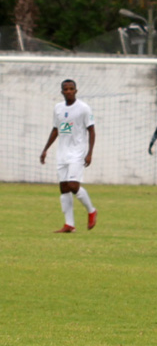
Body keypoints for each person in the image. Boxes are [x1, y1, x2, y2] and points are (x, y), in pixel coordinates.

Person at [39, 79, 98, 233]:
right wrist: (45, 149)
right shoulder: (58, 108)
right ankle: (69, 225)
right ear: (62, 92)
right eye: (66, 89)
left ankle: (91, 210)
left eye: (72, 88)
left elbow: (91, 130)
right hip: (62, 152)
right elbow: (56, 129)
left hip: (78, 152)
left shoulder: (84, 108)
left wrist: (89, 153)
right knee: (64, 188)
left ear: (76, 91)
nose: (69, 91)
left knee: (73, 185)